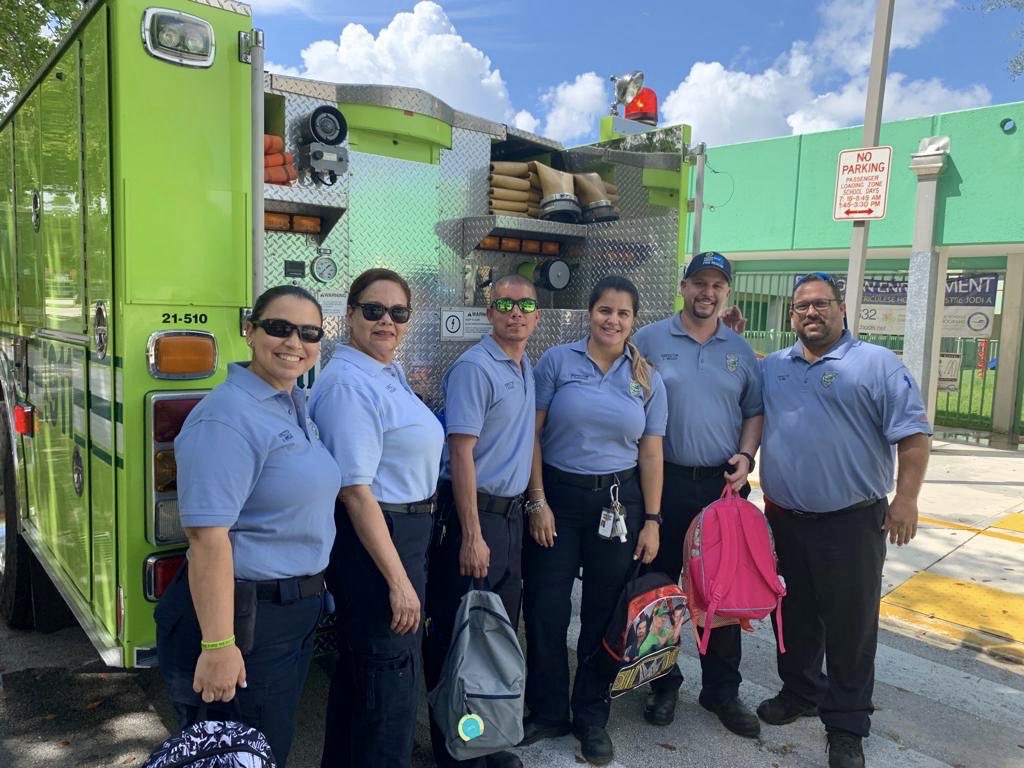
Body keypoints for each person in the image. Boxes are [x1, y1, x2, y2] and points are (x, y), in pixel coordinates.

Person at [155, 285, 339, 768]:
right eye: (279, 328)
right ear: (250, 331)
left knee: (265, 752)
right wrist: (218, 646)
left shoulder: (291, 403)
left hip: (285, 617)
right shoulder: (227, 417)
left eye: (309, 332)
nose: (293, 342)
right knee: (236, 757)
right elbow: (206, 538)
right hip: (242, 621)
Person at [757, 272, 931, 768]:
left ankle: (848, 724)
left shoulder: (877, 365)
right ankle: (800, 692)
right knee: (793, 614)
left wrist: (907, 499)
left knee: (851, 627)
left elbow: (914, 437)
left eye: (821, 304)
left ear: (841, 308)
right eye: (801, 306)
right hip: (784, 519)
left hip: (851, 523)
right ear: (791, 315)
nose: (811, 313)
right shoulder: (775, 367)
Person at [521, 275, 667, 766]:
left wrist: (652, 519)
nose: (613, 320)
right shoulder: (557, 362)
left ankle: (590, 715)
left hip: (617, 503)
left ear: (633, 321)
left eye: (624, 314)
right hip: (557, 498)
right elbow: (532, 437)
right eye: (605, 310)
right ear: (590, 313)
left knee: (604, 614)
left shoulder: (645, 376)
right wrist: (537, 500)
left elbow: (651, 454)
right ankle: (545, 712)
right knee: (545, 608)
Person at [309, 268, 445, 768]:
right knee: (388, 691)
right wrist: (399, 581)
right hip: (379, 542)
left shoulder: (383, 372)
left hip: (403, 534)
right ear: (349, 315)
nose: (387, 320)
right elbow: (355, 492)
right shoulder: (349, 384)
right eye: (373, 310)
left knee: (364, 682)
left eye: (398, 312)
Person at [633, 250, 763, 738]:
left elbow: (755, 409)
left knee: (722, 593)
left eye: (718, 286)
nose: (708, 293)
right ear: (684, 287)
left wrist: (746, 456)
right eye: (700, 284)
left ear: (726, 294)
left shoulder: (740, 349)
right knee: (660, 588)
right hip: (661, 483)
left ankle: (721, 692)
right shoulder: (648, 340)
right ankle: (663, 684)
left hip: (720, 487)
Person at [423, 274, 541, 768]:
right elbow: (461, 453)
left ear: (536, 315)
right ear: (489, 313)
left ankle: (484, 738)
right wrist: (472, 535)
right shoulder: (476, 367)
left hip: (510, 520)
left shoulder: (523, 363)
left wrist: (536, 502)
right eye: (504, 304)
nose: (515, 312)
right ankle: (454, 750)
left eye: (525, 305)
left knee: (496, 635)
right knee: (460, 637)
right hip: (476, 518)